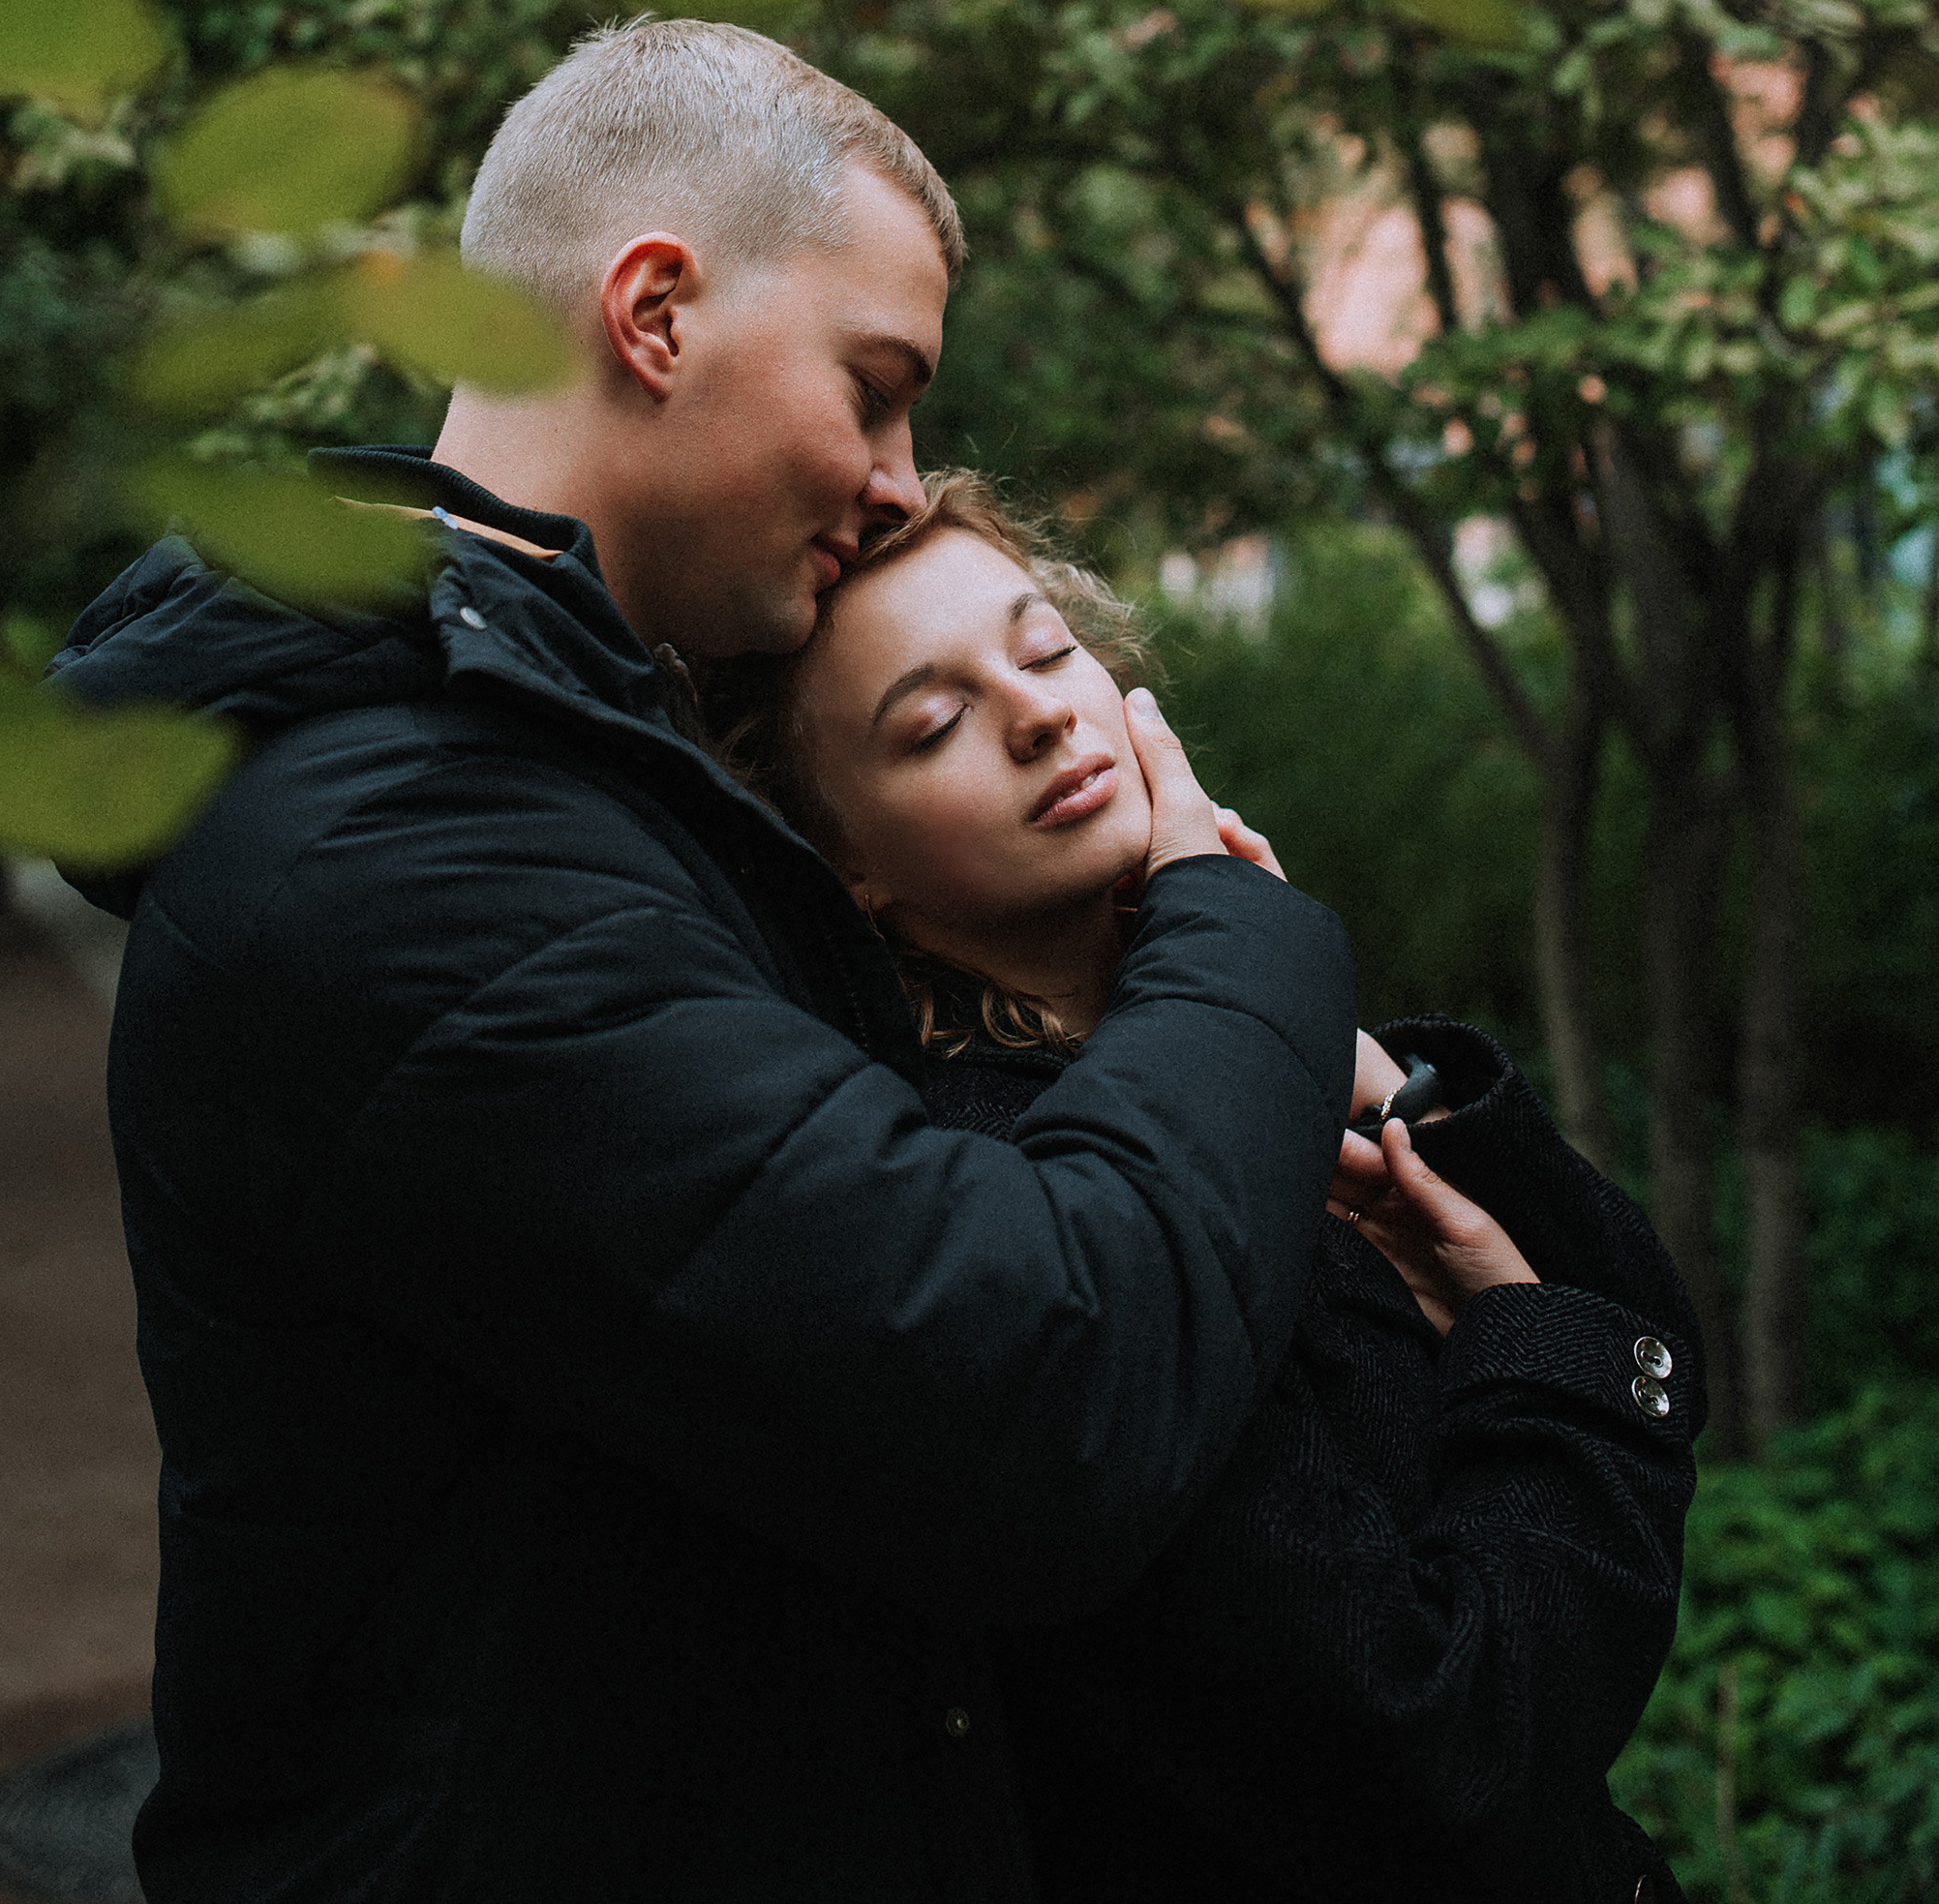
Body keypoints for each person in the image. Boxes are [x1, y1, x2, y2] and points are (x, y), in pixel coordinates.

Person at [48, 19, 1359, 1904]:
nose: (903, 482)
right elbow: (1029, 1394)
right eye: (876, 385)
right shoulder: (398, 851)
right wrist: (1223, 908)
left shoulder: (555, 773)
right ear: (654, 314)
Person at [710, 468, 1704, 1904]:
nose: (1042, 712)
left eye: (1046, 649)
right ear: (841, 863)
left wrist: (1353, 1067)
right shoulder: (1004, 1197)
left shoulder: (1224, 1051)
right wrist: (1527, 1343)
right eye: (933, 723)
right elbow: (1445, 1753)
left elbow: (1651, 1339)